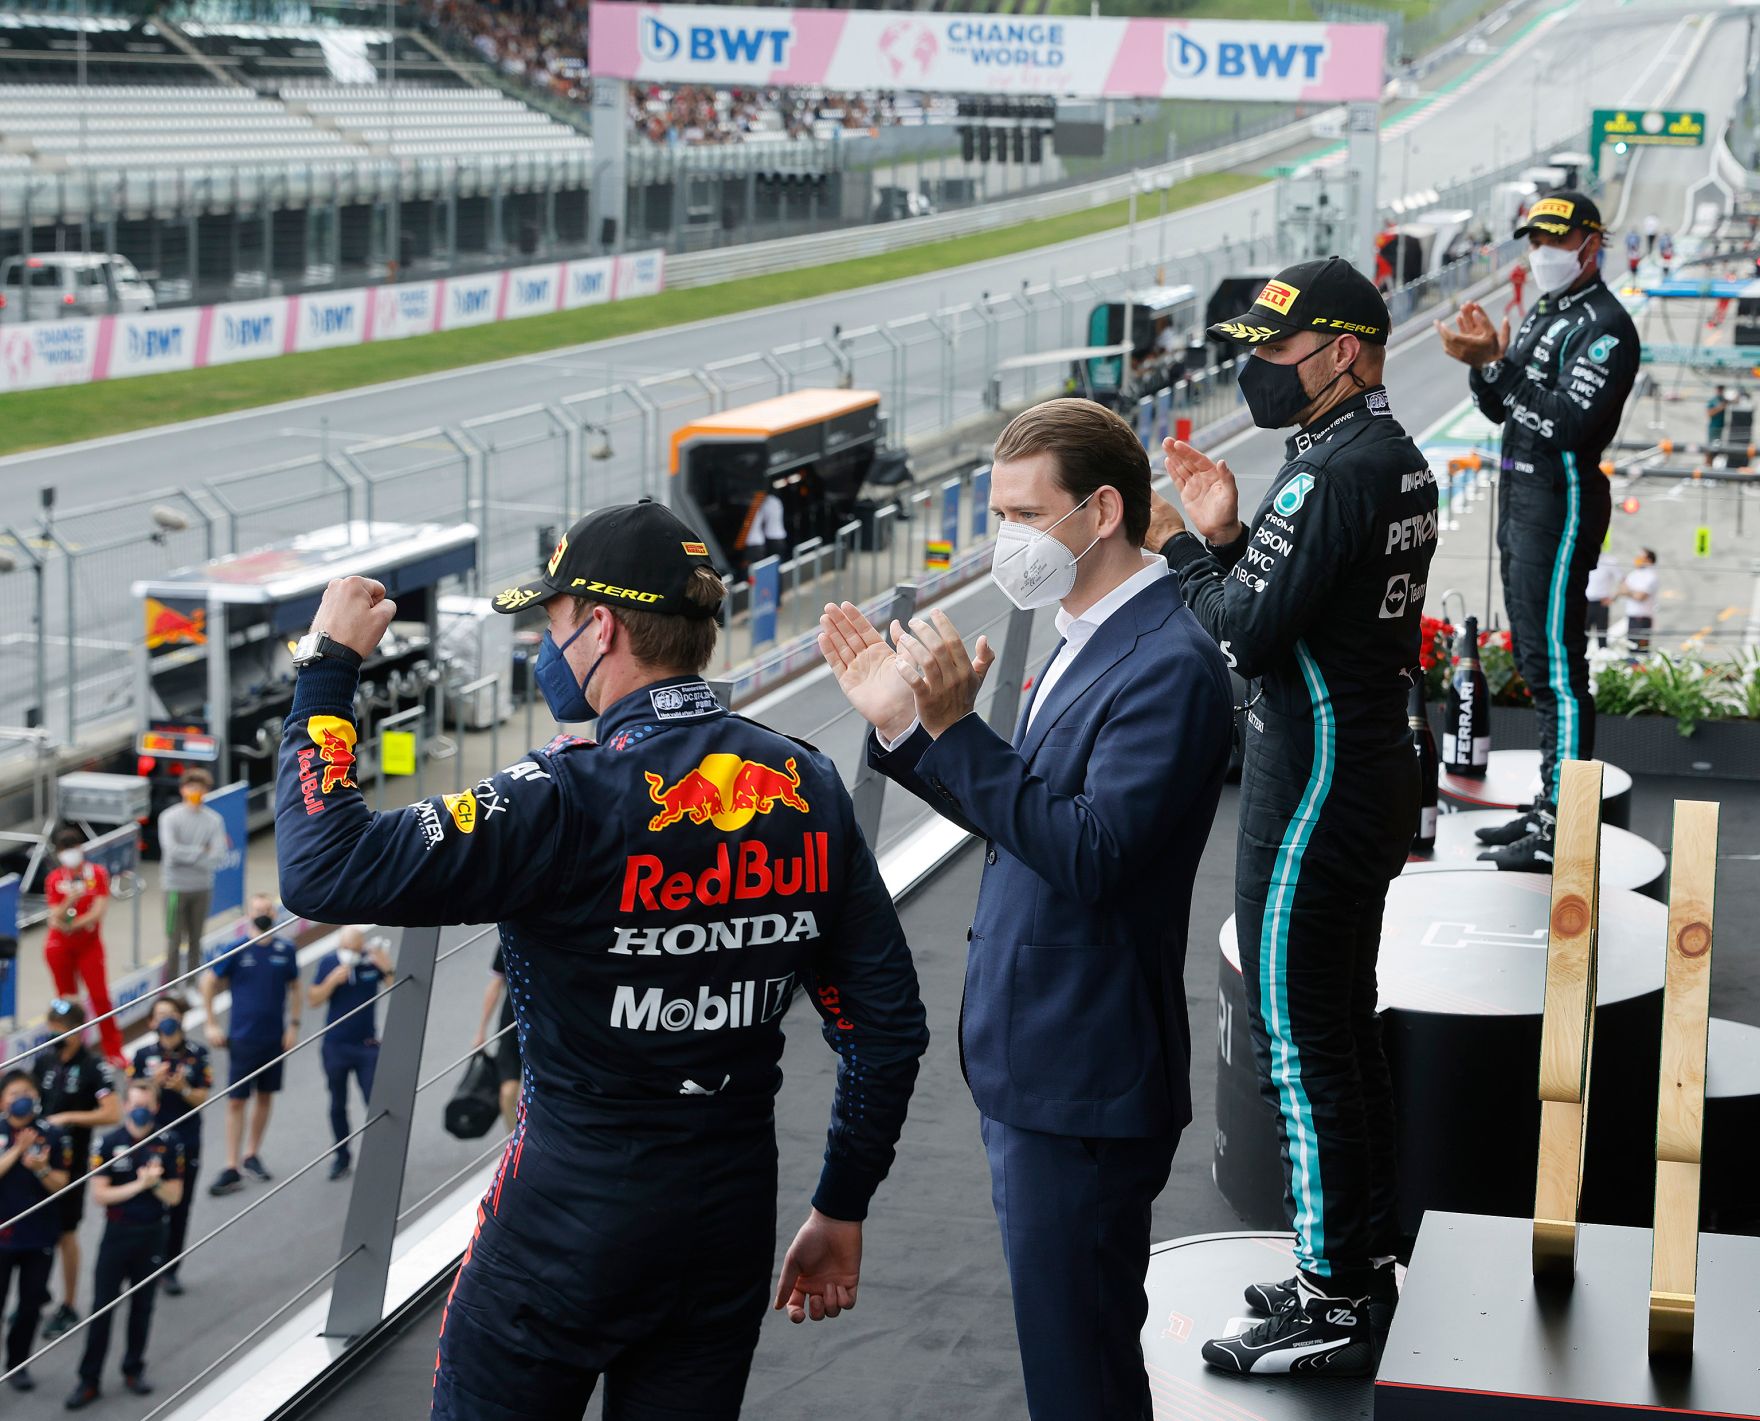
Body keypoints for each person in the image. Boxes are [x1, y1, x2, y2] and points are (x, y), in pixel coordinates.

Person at [275, 498, 929, 1421]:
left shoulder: (558, 798)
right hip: (728, 1217)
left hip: (565, 1218)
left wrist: (327, 667)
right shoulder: (807, 781)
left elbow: (322, 862)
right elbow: (885, 1030)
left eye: (548, 620)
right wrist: (841, 1204)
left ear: (601, 625)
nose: (544, 646)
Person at [825, 396, 1234, 1417]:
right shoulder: (1087, 632)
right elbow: (1031, 815)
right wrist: (909, 732)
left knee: (1077, 1374)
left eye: (1019, 511)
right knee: (1072, 1354)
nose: (1003, 538)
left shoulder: (1165, 659)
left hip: (1082, 1073)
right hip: (1044, 1063)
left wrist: (955, 727)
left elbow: (1090, 853)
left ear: (1100, 512)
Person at [1153, 257, 1436, 1375]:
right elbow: (1286, 606)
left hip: (1313, 787)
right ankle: (1355, 1259)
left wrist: (1184, 546)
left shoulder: (1332, 473)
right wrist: (1230, 536)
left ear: (1345, 352)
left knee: (1297, 1034)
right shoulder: (1387, 457)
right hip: (1356, 767)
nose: (1255, 367)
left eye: (1277, 348)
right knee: (1339, 1027)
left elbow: (1239, 635)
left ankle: (1329, 1295)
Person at [1439, 191, 1638, 869]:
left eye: (1557, 240)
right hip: (1521, 494)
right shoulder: (1546, 312)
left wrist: (1498, 363)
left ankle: (1567, 826)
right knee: (1534, 662)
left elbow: (1570, 422)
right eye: (1535, 239)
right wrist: (1481, 361)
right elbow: (1505, 408)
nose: (1542, 252)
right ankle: (1547, 807)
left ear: (1590, 242)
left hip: (1562, 500)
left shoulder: (1606, 326)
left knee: (1558, 668)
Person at [64, 1079, 186, 1409]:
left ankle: (134, 1369)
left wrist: (155, 1182)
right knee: (102, 1307)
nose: (140, 1108)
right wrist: (140, 1184)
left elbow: (174, 1197)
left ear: (156, 1106)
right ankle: (88, 1379)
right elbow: (100, 1194)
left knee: (142, 1307)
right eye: (134, 1103)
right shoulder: (108, 1143)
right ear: (126, 1105)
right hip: (117, 1236)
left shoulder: (170, 1142)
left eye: (146, 1103)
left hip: (152, 1234)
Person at [32, 998, 121, 1342]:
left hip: (72, 1164)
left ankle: (69, 1303)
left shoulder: (94, 1067)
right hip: (39, 1161)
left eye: (64, 1027)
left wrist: (69, 1118)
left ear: (80, 1030)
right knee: (36, 1228)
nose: (57, 1032)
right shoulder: (43, 1062)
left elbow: (112, 1114)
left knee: (66, 1233)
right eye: (53, 1025)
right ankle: (37, 1290)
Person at [201, 896, 301, 1195]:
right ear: (248, 915)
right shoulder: (236, 949)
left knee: (265, 1097)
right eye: (258, 911)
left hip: (273, 1038)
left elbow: (295, 988)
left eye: (267, 910)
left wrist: (294, 1024)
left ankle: (251, 1154)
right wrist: (211, 1022)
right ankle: (231, 1164)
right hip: (243, 1039)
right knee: (236, 1100)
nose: (263, 915)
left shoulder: (286, 950)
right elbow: (208, 981)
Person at [128, 996, 210, 1295]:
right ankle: (137, 1267)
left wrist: (182, 1088)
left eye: (172, 1014)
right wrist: (153, 1083)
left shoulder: (198, 1053)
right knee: (141, 1202)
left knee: (179, 1206)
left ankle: (170, 1268)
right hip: (148, 1141)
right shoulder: (141, 1055)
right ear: (151, 1022)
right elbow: (133, 1098)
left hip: (186, 1140)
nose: (166, 1019)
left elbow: (203, 1098)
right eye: (160, 1015)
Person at [0, 1070, 74, 1393]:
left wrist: (40, 1167)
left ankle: (18, 1365)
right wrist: (18, 1150)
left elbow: (62, 1184)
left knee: (30, 1306)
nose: (21, 1099)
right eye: (14, 1093)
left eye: (27, 1092)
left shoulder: (54, 1135)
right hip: (3, 1239)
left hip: (39, 1236)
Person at [306, 925, 391, 1181]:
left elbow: (395, 986)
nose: (350, 954)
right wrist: (332, 981)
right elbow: (313, 999)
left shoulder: (370, 961)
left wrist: (386, 964)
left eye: (355, 949)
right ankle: (341, 1156)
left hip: (366, 1046)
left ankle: (381, 1154)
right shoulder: (329, 963)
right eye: (346, 949)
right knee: (337, 1103)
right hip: (336, 1046)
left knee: (375, 1101)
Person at [42, 829, 125, 1068]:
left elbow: (98, 911)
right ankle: (71, 1051)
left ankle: (114, 1049)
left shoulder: (96, 873)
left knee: (100, 997)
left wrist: (72, 925)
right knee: (65, 1004)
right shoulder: (55, 879)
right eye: (65, 849)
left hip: (89, 945)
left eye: (74, 846)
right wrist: (69, 900)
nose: (71, 853)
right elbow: (54, 915)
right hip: (60, 947)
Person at [157, 767, 228, 987]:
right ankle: (172, 985)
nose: (195, 791)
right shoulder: (169, 817)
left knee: (196, 939)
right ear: (182, 790)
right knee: (174, 939)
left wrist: (188, 854)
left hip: (202, 886)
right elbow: (171, 852)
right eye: (191, 787)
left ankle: (191, 983)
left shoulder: (213, 820)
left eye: (200, 788)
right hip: (174, 888)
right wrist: (201, 851)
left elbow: (217, 855)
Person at [471, 947, 523, 1130]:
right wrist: (481, 1031)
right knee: (508, 1093)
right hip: (512, 1024)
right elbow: (495, 984)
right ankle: (515, 1140)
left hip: (548, 1023)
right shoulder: (509, 939)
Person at [1621, 547, 1659, 658]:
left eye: (1641, 556)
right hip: (1632, 617)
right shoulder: (1634, 574)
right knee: (1631, 648)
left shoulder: (1651, 575)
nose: (1637, 558)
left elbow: (1640, 596)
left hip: (1643, 619)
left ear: (1649, 559)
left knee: (1641, 651)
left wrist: (1629, 592)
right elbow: (1622, 589)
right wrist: (1633, 593)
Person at [1585, 548, 1619, 651]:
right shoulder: (1584, 555)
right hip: (1586, 602)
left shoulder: (1609, 561)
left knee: (1602, 635)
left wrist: (1613, 598)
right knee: (1582, 634)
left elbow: (1622, 581)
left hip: (1601, 603)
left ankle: (1603, 657)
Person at [1707, 385, 1730, 450]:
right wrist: (1720, 407)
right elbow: (1709, 413)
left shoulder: (1723, 400)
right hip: (1714, 427)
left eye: (1722, 390)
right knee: (1711, 448)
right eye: (1719, 390)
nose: (1720, 392)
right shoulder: (1713, 401)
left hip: (1720, 427)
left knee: (1717, 448)